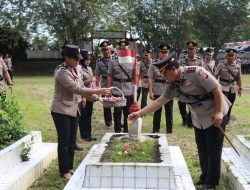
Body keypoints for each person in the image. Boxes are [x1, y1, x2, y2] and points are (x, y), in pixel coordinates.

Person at [128, 53, 231, 190]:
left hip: (215, 112)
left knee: (213, 148)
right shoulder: (172, 85)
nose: (163, 76)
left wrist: (219, 112)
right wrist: (139, 113)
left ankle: (211, 183)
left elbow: (216, 89)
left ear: (173, 69)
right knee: (201, 146)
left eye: (164, 73)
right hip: (199, 117)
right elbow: (159, 101)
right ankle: (205, 175)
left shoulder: (196, 72)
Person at [50, 44, 110, 180]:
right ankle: (63, 170)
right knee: (64, 141)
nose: (78, 61)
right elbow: (77, 89)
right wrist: (98, 91)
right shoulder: (62, 72)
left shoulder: (76, 68)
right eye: (75, 59)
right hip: (61, 111)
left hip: (73, 108)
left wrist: (97, 98)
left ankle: (69, 167)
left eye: (79, 59)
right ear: (67, 58)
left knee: (72, 141)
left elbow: (82, 86)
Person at [107, 39, 134, 133]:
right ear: (119, 50)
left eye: (125, 48)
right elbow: (110, 76)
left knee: (128, 112)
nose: (123, 50)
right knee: (117, 112)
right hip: (117, 90)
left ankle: (127, 130)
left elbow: (135, 77)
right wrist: (108, 89)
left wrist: (135, 90)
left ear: (128, 49)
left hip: (128, 89)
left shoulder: (132, 61)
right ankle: (117, 132)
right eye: (121, 48)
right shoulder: (113, 62)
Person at [178, 41, 204, 127]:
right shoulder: (182, 59)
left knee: (192, 103)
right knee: (181, 103)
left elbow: (202, 73)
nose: (190, 51)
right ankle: (184, 119)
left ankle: (190, 122)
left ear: (195, 50)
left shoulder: (200, 60)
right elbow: (178, 71)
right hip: (183, 84)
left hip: (194, 85)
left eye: (192, 49)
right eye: (189, 49)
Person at [148, 44, 173, 133]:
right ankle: (155, 129)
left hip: (169, 88)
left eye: (166, 52)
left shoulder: (171, 63)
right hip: (157, 89)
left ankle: (169, 129)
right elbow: (150, 78)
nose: (165, 54)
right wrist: (150, 91)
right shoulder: (154, 64)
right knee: (157, 110)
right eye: (163, 52)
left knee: (169, 111)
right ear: (159, 53)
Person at [214, 48, 242, 124]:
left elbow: (238, 78)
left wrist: (240, 88)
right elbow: (216, 76)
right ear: (226, 56)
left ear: (234, 56)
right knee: (224, 104)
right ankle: (223, 118)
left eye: (232, 56)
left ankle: (227, 118)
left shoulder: (238, 66)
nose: (230, 57)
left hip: (233, 88)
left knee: (231, 104)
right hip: (223, 87)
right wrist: (215, 86)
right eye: (229, 56)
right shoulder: (221, 65)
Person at [78, 50, 97, 142]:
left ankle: (89, 134)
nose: (88, 61)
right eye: (86, 59)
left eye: (89, 59)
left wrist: (95, 91)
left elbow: (92, 81)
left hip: (90, 94)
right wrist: (88, 81)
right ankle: (84, 135)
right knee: (83, 116)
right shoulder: (79, 68)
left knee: (89, 115)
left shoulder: (89, 68)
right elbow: (79, 83)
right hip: (83, 95)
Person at [95, 41, 114, 127]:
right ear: (101, 51)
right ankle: (108, 121)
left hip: (115, 83)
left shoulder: (115, 59)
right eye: (104, 50)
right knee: (106, 104)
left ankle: (118, 120)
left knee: (118, 102)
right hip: (104, 84)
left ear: (110, 49)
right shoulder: (99, 62)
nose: (106, 51)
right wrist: (97, 88)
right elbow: (98, 76)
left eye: (107, 49)